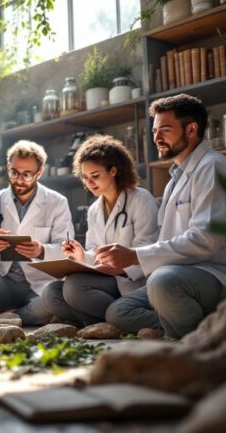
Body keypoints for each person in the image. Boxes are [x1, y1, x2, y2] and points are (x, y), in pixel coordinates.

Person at [95, 94, 226, 338]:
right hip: (185, 273)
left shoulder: (212, 167)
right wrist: (126, 258)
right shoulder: (176, 178)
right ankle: (209, 325)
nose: (156, 138)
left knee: (162, 282)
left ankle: (195, 347)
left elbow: (205, 239)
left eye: (165, 130)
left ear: (191, 129)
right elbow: (167, 238)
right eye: (154, 131)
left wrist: (134, 256)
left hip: (220, 274)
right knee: (120, 310)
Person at [40, 135, 159, 327]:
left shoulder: (141, 200)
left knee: (74, 287)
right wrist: (80, 256)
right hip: (104, 281)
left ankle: (119, 316)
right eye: (85, 178)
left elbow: (147, 253)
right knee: (51, 293)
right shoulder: (95, 210)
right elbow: (95, 254)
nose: (89, 183)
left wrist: (115, 267)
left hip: (132, 282)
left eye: (95, 176)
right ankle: (113, 321)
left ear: (113, 170)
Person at [0, 140, 74, 325]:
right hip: (3, 283)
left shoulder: (57, 202)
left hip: (39, 286)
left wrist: (41, 250)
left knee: (54, 299)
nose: (19, 179)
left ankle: (9, 320)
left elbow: (66, 250)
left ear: (39, 173)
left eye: (27, 174)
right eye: (14, 172)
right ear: (8, 167)